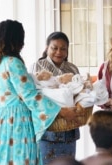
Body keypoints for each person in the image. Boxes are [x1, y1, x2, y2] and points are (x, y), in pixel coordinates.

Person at [0, 20, 82, 165]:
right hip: (16, 122)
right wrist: (61, 111)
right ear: (15, 39)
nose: (22, 43)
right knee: (19, 159)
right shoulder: (13, 63)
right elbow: (30, 95)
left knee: (2, 159)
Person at [31, 32, 80, 164]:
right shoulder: (38, 66)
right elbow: (35, 96)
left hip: (69, 128)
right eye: (54, 48)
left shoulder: (72, 68)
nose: (59, 52)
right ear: (47, 48)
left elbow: (79, 93)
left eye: (63, 48)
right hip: (47, 129)